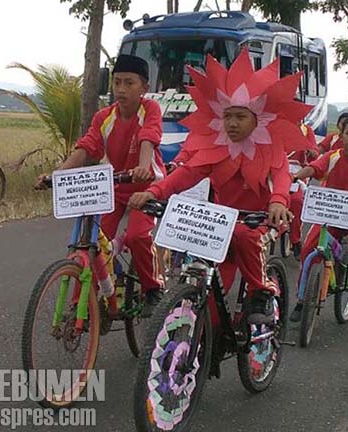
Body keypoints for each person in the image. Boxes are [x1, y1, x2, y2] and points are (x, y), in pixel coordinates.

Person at [129, 49, 312, 326]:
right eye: (228, 116)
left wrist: (277, 202)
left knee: (246, 238)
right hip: (220, 225)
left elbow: (281, 177)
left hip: (260, 222)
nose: (232, 123)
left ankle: (263, 291)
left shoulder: (270, 149)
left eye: (240, 116)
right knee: (209, 295)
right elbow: (186, 174)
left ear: (257, 119)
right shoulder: (216, 148)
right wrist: (153, 193)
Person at [36, 54, 166, 318]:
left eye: (129, 83)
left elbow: (148, 137)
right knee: (94, 241)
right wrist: (57, 175)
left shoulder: (150, 109)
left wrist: (142, 167)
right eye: (117, 82)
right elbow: (86, 147)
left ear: (144, 88)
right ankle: (80, 305)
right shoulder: (104, 117)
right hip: (115, 188)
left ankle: (153, 288)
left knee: (137, 236)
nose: (121, 89)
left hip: (146, 187)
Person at [289, 115, 348, 321]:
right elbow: (314, 167)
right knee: (307, 251)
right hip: (326, 210)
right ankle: (302, 299)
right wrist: (297, 175)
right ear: (341, 135)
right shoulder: (332, 156)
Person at [288, 123, 319, 259]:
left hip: (297, 172)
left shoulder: (306, 130)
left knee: (296, 201)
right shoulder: (272, 126)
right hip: (274, 169)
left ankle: (295, 241)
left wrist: (312, 152)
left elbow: (315, 152)